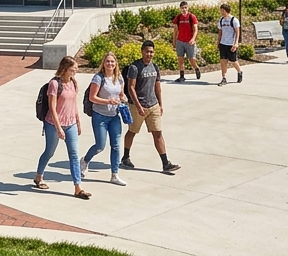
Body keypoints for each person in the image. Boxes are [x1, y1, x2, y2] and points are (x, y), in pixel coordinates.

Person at [32, 57, 90, 199]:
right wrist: (58, 128)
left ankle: (78, 187)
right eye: (72, 69)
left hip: (71, 124)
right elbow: (52, 108)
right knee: (49, 152)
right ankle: (39, 176)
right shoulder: (54, 84)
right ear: (64, 68)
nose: (75, 72)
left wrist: (78, 121)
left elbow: (74, 104)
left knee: (74, 155)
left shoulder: (73, 83)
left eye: (75, 69)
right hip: (53, 123)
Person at [122, 40, 180, 174]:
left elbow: (157, 87)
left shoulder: (155, 67)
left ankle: (166, 163)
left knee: (158, 133)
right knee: (132, 131)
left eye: (151, 52)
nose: (149, 54)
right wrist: (138, 106)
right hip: (138, 106)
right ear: (142, 51)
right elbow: (131, 88)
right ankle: (125, 157)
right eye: (147, 51)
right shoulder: (135, 67)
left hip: (153, 105)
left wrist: (160, 104)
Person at [82, 51, 128, 186]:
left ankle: (114, 174)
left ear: (116, 63)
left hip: (114, 116)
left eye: (112, 61)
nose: (110, 64)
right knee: (100, 146)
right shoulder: (98, 78)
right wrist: (108, 101)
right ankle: (85, 160)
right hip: (100, 116)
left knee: (116, 146)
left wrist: (123, 99)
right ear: (104, 63)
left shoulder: (119, 78)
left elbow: (121, 94)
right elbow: (92, 97)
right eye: (107, 61)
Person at [172, 1, 202, 81]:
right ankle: (182, 76)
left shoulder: (191, 17)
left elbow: (196, 30)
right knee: (180, 59)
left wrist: (193, 39)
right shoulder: (178, 18)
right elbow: (175, 31)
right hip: (180, 41)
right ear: (180, 9)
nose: (184, 10)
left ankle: (196, 68)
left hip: (189, 42)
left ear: (188, 8)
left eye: (185, 8)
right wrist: (174, 41)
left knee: (191, 59)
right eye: (182, 8)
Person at [216, 4, 243, 85]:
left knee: (233, 61)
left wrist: (236, 43)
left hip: (231, 44)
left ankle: (239, 71)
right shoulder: (221, 20)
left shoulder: (234, 20)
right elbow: (220, 33)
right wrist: (218, 43)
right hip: (223, 43)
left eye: (223, 11)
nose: (222, 12)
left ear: (227, 11)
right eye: (221, 11)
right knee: (223, 61)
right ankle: (224, 78)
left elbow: (237, 32)